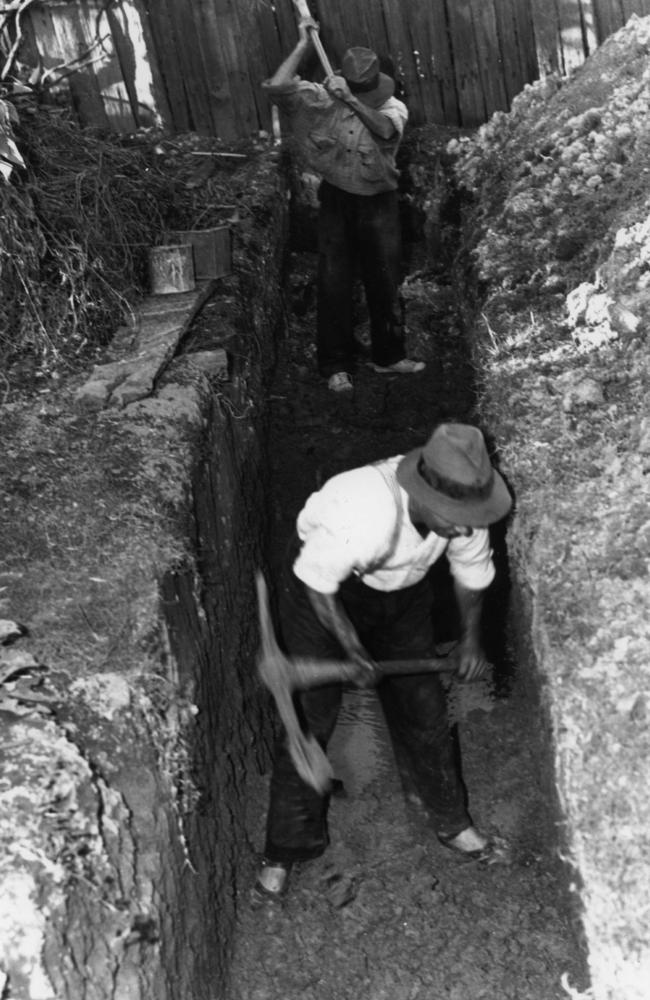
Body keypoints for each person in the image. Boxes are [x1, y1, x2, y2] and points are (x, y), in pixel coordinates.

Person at [256, 422, 513, 898]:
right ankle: (285, 849)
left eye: (468, 516)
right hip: (325, 586)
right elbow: (319, 585)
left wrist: (470, 642)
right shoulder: (360, 511)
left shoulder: (463, 508)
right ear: (421, 493)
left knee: (424, 706)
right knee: (313, 716)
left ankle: (450, 821)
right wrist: (353, 653)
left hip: (404, 589)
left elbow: (472, 573)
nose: (463, 527)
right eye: (453, 517)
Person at [262, 16, 424, 393]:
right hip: (337, 199)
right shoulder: (320, 100)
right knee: (334, 282)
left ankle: (388, 357)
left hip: (380, 203)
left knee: (384, 280)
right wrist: (302, 43)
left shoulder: (393, 106)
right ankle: (335, 365)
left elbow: (384, 130)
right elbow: (277, 87)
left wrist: (350, 99)